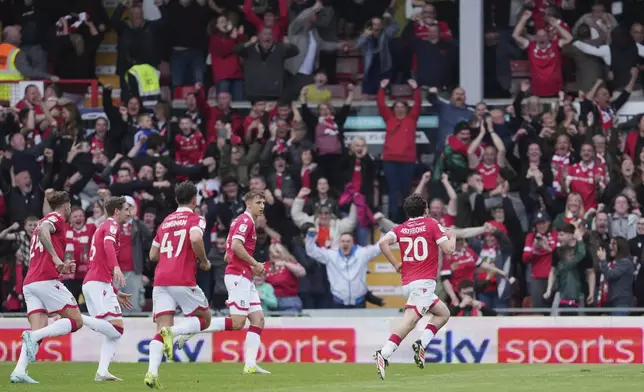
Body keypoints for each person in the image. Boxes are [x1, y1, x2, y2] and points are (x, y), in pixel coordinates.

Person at [176, 190, 269, 374]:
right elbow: (235, 246)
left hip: (242, 275)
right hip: (238, 276)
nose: (262, 206)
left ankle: (250, 364)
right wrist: (255, 263)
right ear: (248, 203)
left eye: (263, 202)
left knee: (258, 319)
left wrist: (246, 265)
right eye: (258, 202)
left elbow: (228, 255)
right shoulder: (245, 220)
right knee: (237, 323)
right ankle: (192, 330)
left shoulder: (239, 221)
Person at [374, 193, 455, 380]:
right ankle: (383, 354)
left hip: (409, 283)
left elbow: (383, 242)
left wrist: (395, 264)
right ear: (425, 209)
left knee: (443, 314)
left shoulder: (401, 228)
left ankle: (421, 345)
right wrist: (453, 236)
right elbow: (449, 250)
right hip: (423, 284)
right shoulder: (431, 224)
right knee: (409, 322)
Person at [144, 182, 212, 389]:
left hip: (161, 280)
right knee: (205, 319)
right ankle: (173, 333)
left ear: (176, 200)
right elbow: (195, 237)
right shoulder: (195, 218)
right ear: (194, 200)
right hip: (181, 278)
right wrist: (204, 260)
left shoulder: (165, 222)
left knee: (160, 327)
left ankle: (152, 373)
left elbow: (153, 255)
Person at [10, 191, 79, 384]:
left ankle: (19, 371)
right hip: (46, 281)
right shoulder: (55, 218)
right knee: (76, 321)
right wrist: (57, 259)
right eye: (70, 206)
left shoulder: (43, 221)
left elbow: (42, 248)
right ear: (66, 206)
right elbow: (43, 232)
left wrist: (61, 266)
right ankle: (34, 336)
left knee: (38, 329)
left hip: (31, 282)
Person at [80, 196, 134, 381]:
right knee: (117, 329)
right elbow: (108, 245)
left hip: (96, 282)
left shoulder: (101, 227)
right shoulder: (111, 225)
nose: (129, 212)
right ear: (117, 211)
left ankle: (102, 372)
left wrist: (115, 292)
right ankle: (75, 316)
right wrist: (117, 267)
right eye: (127, 208)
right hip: (98, 283)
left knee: (113, 334)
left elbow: (100, 260)